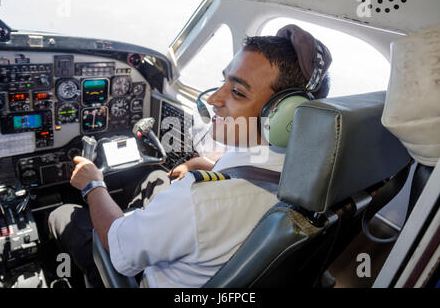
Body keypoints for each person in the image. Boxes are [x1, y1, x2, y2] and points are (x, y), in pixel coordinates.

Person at [48, 24, 332, 288]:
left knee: (63, 215)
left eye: (237, 91)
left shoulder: (201, 198)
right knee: (158, 176)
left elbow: (115, 240)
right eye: (223, 82)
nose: (213, 100)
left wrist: (93, 183)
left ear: (284, 116)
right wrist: (204, 165)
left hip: (144, 275)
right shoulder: (318, 175)